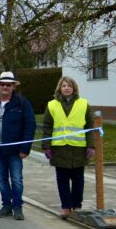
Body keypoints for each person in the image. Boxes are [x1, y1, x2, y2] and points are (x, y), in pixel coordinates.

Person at [0, 72, 36, 220]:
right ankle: (6, 205)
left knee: (17, 178)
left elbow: (30, 126)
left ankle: (17, 206)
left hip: (15, 149)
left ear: (13, 86)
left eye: (8, 85)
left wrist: (25, 148)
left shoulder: (22, 103)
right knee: (1, 178)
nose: (5, 87)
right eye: (2, 84)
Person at [43, 76, 95, 220]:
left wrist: (91, 145)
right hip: (59, 148)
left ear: (74, 88)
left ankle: (77, 206)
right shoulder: (52, 105)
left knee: (78, 179)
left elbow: (89, 126)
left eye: (69, 86)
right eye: (64, 85)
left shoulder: (84, 104)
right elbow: (47, 127)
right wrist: (46, 146)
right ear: (59, 88)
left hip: (79, 149)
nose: (66, 88)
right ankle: (66, 206)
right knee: (62, 179)